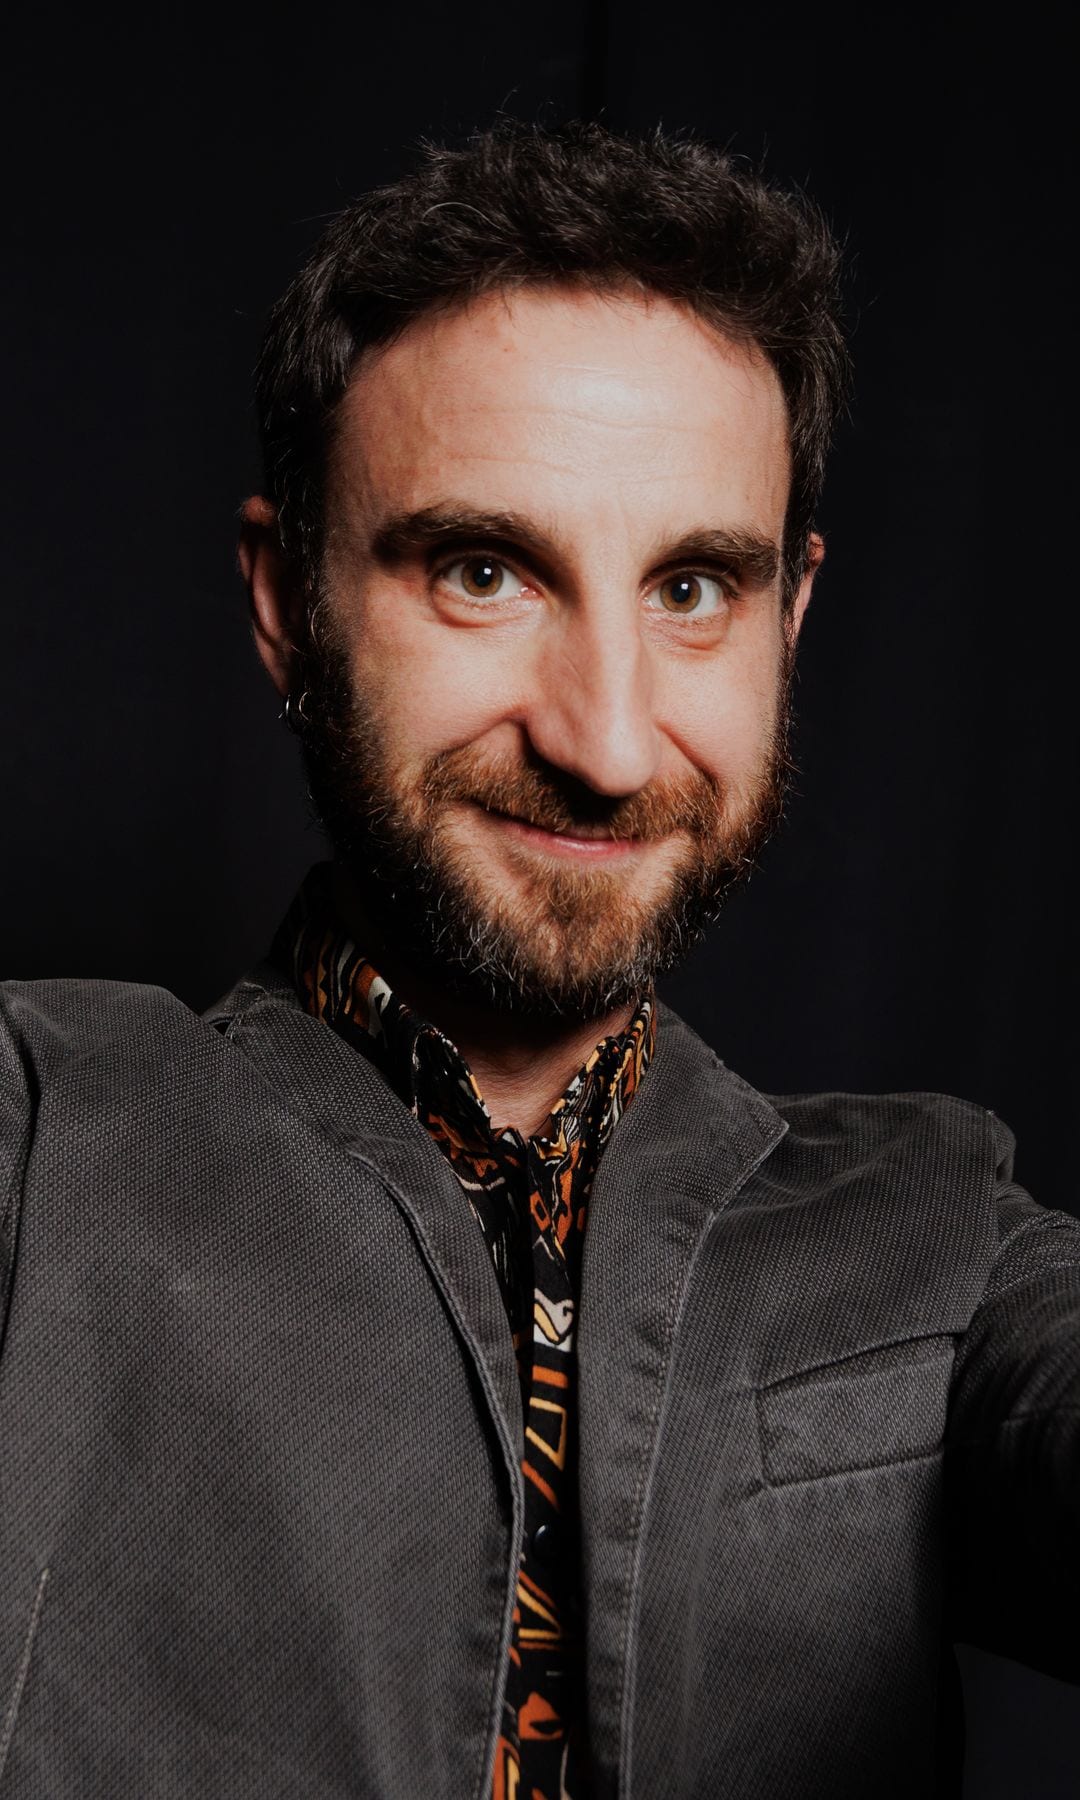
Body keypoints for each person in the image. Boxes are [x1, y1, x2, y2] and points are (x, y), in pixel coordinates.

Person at [0, 121, 1076, 1800]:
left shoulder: (942, 1233)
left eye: (694, 587)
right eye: (486, 571)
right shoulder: (35, 1146)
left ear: (791, 614)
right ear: (287, 597)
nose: (608, 738)